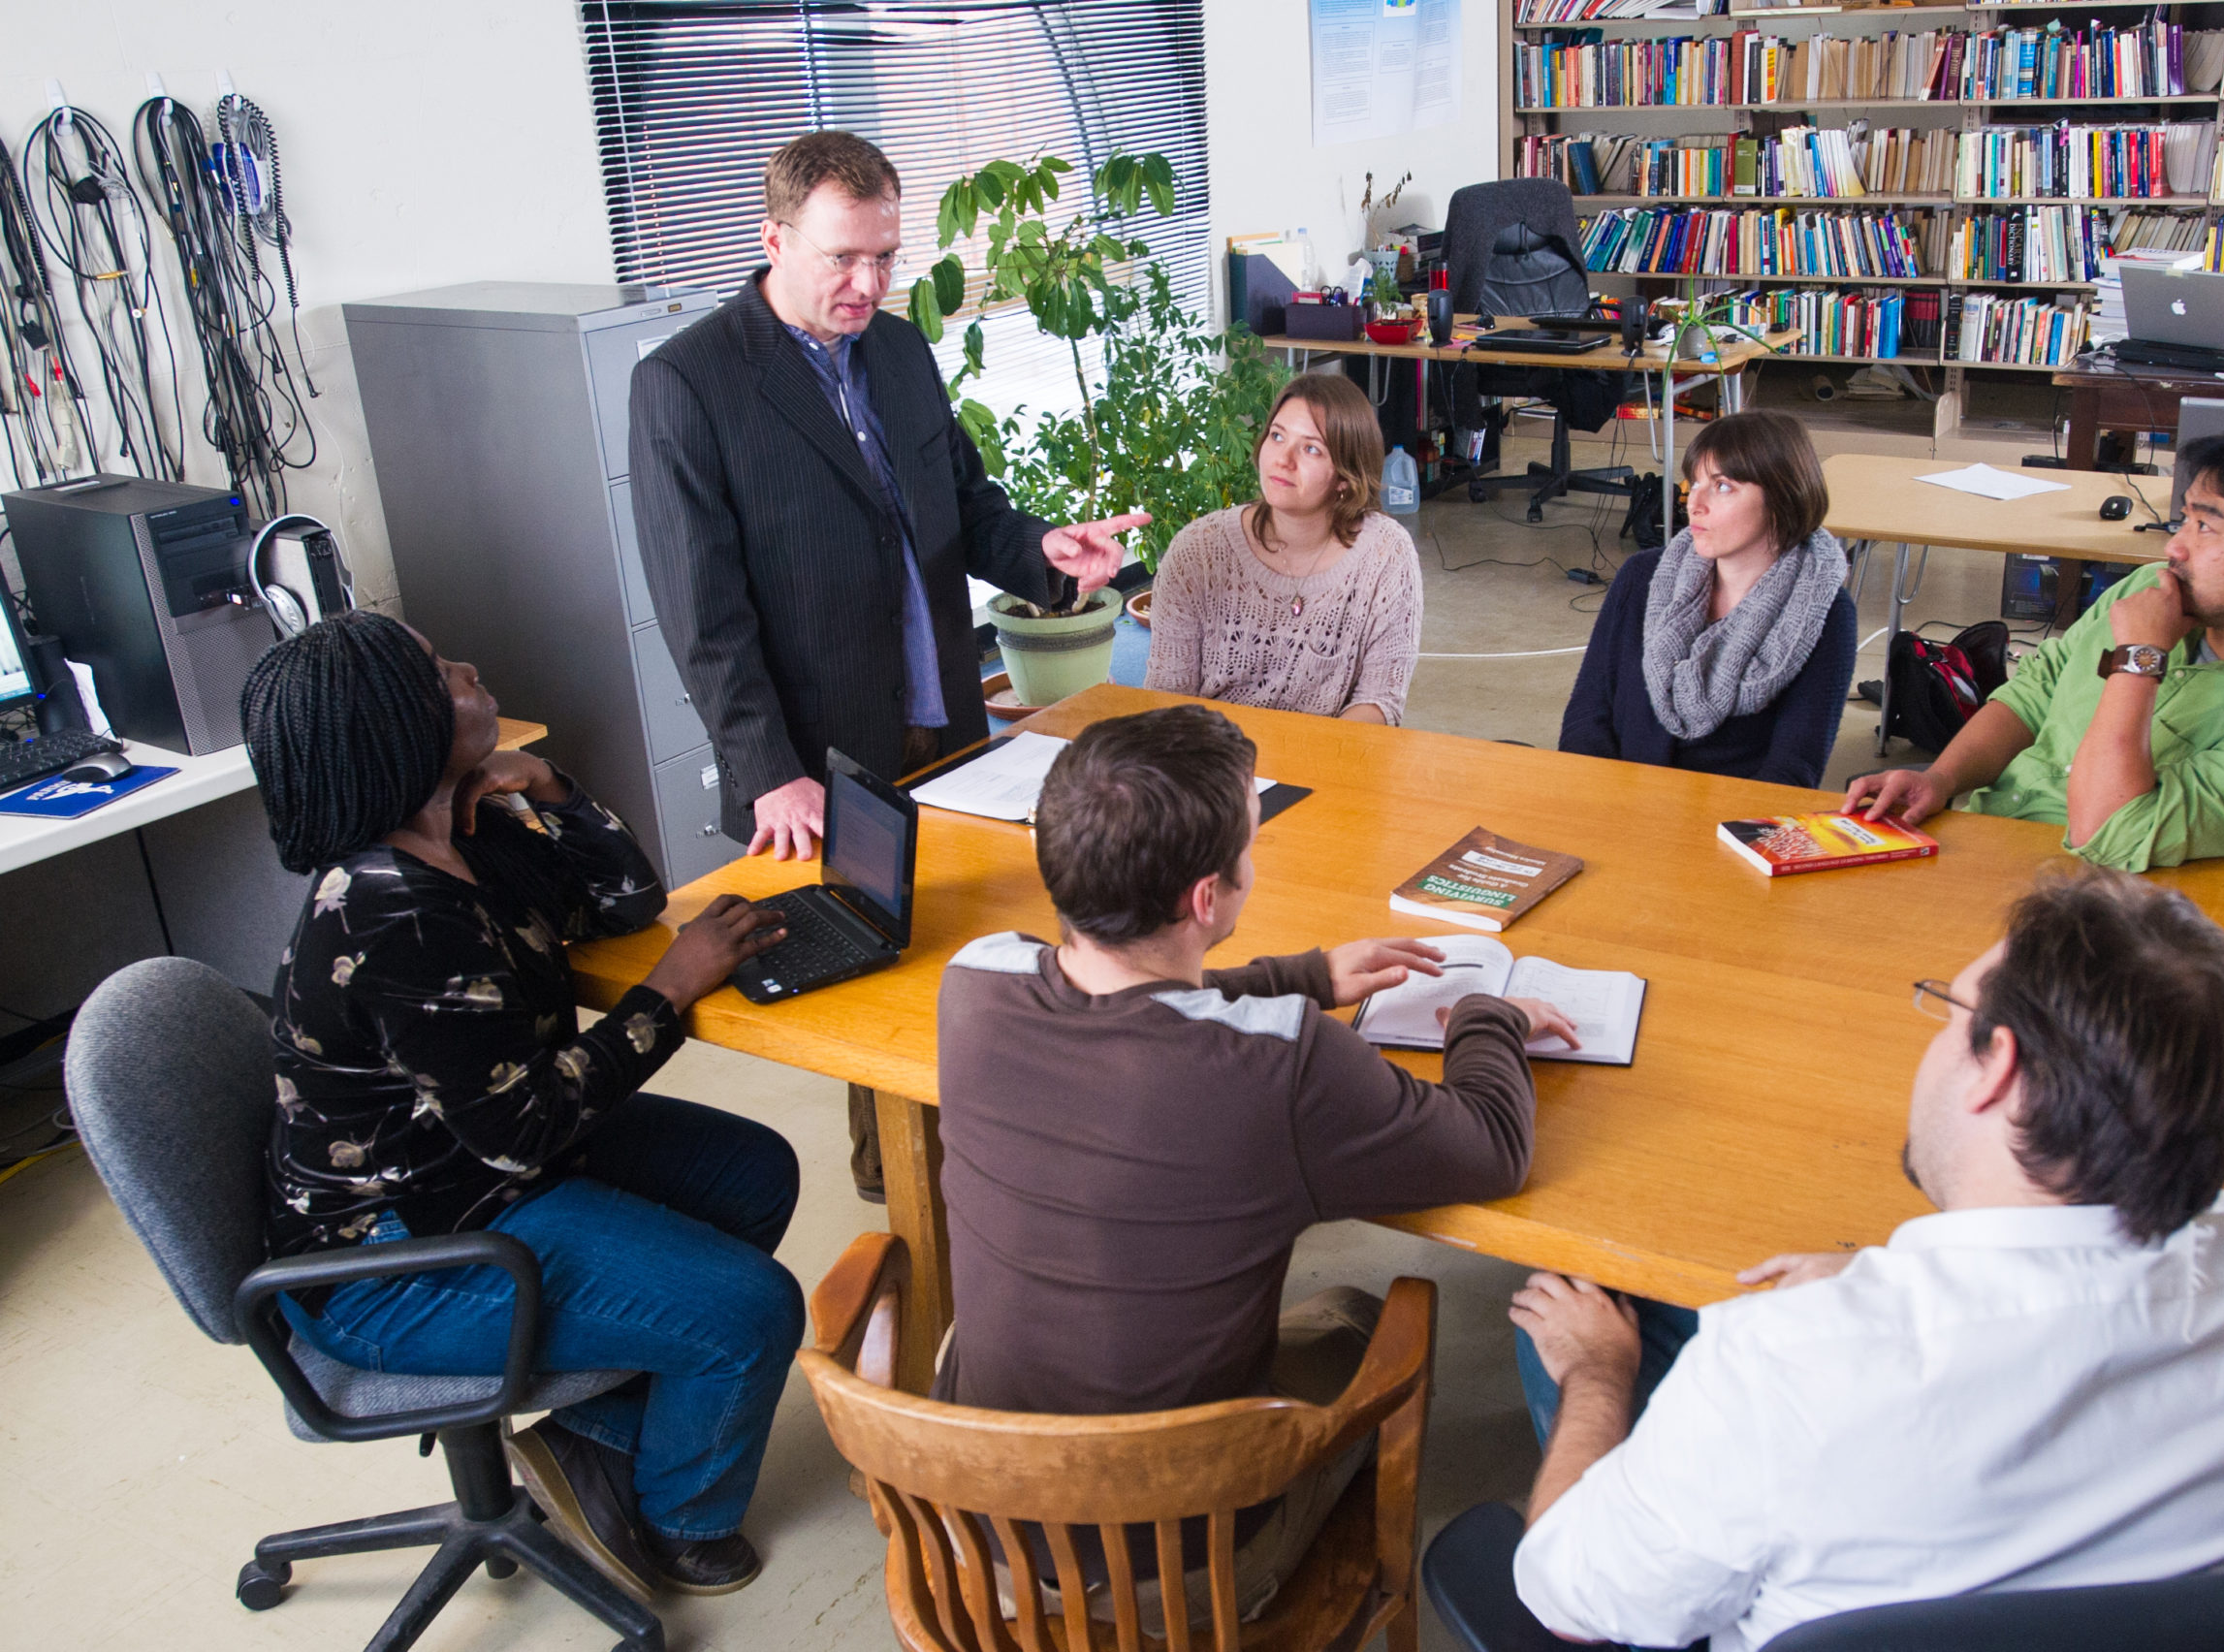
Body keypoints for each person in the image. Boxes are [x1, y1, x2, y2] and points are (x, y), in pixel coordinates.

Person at [1498, 869, 2224, 1652]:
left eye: (1949, 1011)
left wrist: (1597, 1373)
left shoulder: (1788, 1365)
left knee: (1594, 1324)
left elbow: (1570, 1603)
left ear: (1998, 1068)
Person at [936, 702, 1578, 1626]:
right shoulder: (1279, 1066)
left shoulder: (976, 982)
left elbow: (1134, 999)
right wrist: (1488, 1015)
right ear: (1210, 898)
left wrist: (1303, 976)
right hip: (1169, 1569)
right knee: (1361, 1319)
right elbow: (1493, 1147)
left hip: (977, 1517)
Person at [243, 611, 805, 1602]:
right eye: (437, 674)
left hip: (473, 1172)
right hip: (399, 1256)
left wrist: (549, 786)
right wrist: (668, 992)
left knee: (753, 1172)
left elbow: (627, 900)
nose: (468, 665)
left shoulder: (468, 831)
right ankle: (681, 1523)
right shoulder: (394, 913)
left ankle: (593, 1442)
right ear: (396, 732)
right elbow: (529, 1130)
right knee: (753, 1312)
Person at [631, 130, 1145, 1198]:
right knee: (876, 985)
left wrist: (1045, 556)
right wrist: (765, 763)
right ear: (773, 239)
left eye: (886, 258)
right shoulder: (687, 384)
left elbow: (963, 504)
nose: (869, 284)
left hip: (944, 716)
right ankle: (908, 1196)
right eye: (841, 259)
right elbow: (702, 613)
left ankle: (990, 1174)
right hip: (819, 758)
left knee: (973, 950)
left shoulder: (903, 349)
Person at [1845, 415, 2224, 870]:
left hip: (2099, 924)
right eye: (2184, 518)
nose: (2175, 547)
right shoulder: (2151, 592)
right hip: (1983, 841)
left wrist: (2141, 661)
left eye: (2207, 528)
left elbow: (2107, 836)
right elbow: (2034, 694)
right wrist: (1941, 778)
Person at [1559, 409, 1857, 789]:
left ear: (1782, 496)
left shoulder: (1825, 612)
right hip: (1617, 804)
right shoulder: (1642, 576)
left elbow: (1791, 772)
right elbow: (1588, 714)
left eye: (1722, 486)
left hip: (1727, 827)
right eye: (1694, 482)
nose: (1693, 503)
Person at [1144, 373, 1423, 724]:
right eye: (1277, 436)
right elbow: (1168, 697)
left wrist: (1308, 764)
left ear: (1344, 476)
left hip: (1329, 756)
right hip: (1210, 759)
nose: (1282, 460)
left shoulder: (1386, 554)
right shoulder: (1196, 550)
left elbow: (1379, 701)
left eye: (1311, 449)